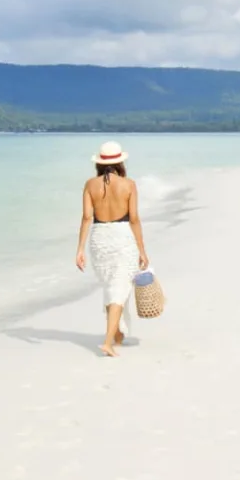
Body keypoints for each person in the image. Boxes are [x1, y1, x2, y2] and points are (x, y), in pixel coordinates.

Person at [74, 141, 149, 358]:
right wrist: (142, 250)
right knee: (118, 287)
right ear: (120, 161)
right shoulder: (129, 185)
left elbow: (87, 217)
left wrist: (80, 249)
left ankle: (117, 333)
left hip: (99, 238)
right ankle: (108, 342)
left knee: (111, 285)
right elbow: (134, 219)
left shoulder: (90, 185)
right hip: (122, 236)